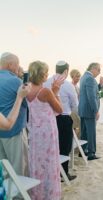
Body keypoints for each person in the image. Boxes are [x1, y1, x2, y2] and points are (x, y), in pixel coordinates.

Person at [26, 61, 65, 200]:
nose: (47, 75)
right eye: (46, 73)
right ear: (42, 75)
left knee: (37, 160)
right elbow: (60, 109)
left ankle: (37, 193)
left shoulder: (26, 88)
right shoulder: (45, 91)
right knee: (49, 161)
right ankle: (50, 194)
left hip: (35, 131)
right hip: (48, 131)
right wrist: (56, 92)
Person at [44, 61, 78, 181]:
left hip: (49, 118)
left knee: (52, 146)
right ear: (66, 71)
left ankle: (52, 171)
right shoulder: (68, 85)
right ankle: (63, 173)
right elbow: (75, 104)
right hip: (64, 118)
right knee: (65, 146)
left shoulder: (46, 81)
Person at [0, 52, 29, 176]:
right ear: (10, 64)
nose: (18, 67)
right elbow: (28, 103)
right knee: (19, 168)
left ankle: (7, 194)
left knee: (3, 169)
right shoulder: (15, 81)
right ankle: (19, 196)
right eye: (17, 64)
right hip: (14, 131)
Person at [78, 63, 101, 160]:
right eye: (98, 70)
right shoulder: (90, 79)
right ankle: (91, 153)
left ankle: (82, 151)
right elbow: (91, 97)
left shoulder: (83, 77)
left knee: (84, 132)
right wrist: (96, 110)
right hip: (89, 110)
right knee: (91, 132)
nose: (99, 72)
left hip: (83, 109)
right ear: (93, 69)